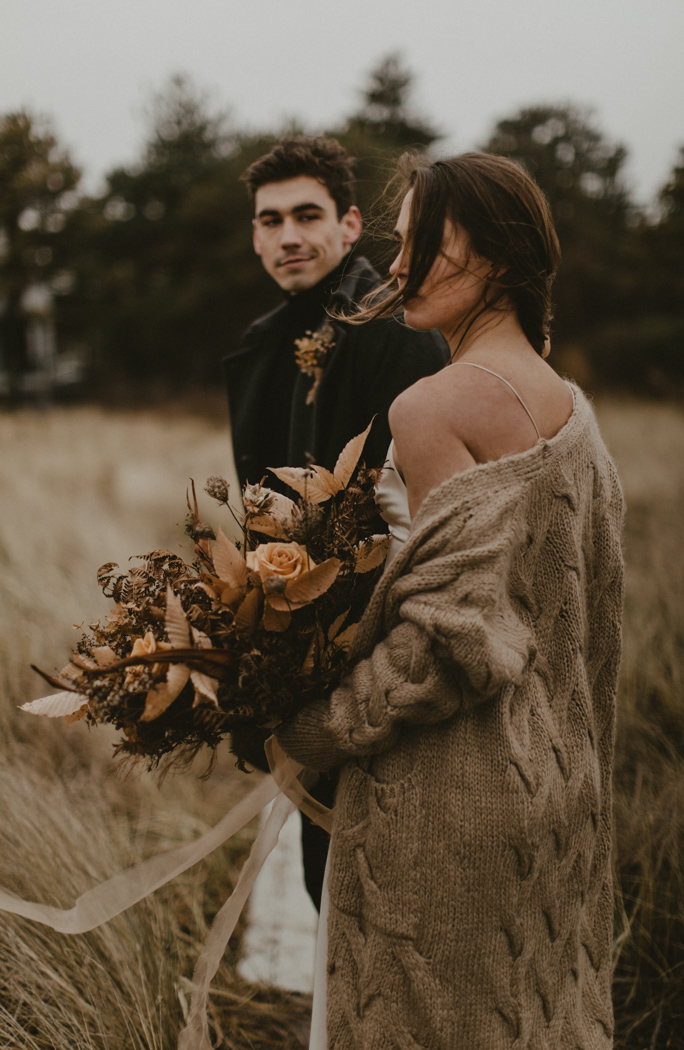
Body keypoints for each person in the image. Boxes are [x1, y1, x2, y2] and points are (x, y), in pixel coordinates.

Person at [276, 152, 624, 1049]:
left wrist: (307, 731)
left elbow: (452, 643)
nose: (396, 267)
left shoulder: (432, 406)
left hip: (447, 807)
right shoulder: (569, 408)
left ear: (498, 258)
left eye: (425, 243)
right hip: (555, 784)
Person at [222, 136, 448, 911]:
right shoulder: (260, 345)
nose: (289, 236)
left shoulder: (395, 331)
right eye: (271, 219)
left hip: (382, 656)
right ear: (254, 235)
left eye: (307, 215)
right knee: (332, 878)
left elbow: (422, 512)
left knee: (380, 886)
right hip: (300, 652)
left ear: (350, 225)